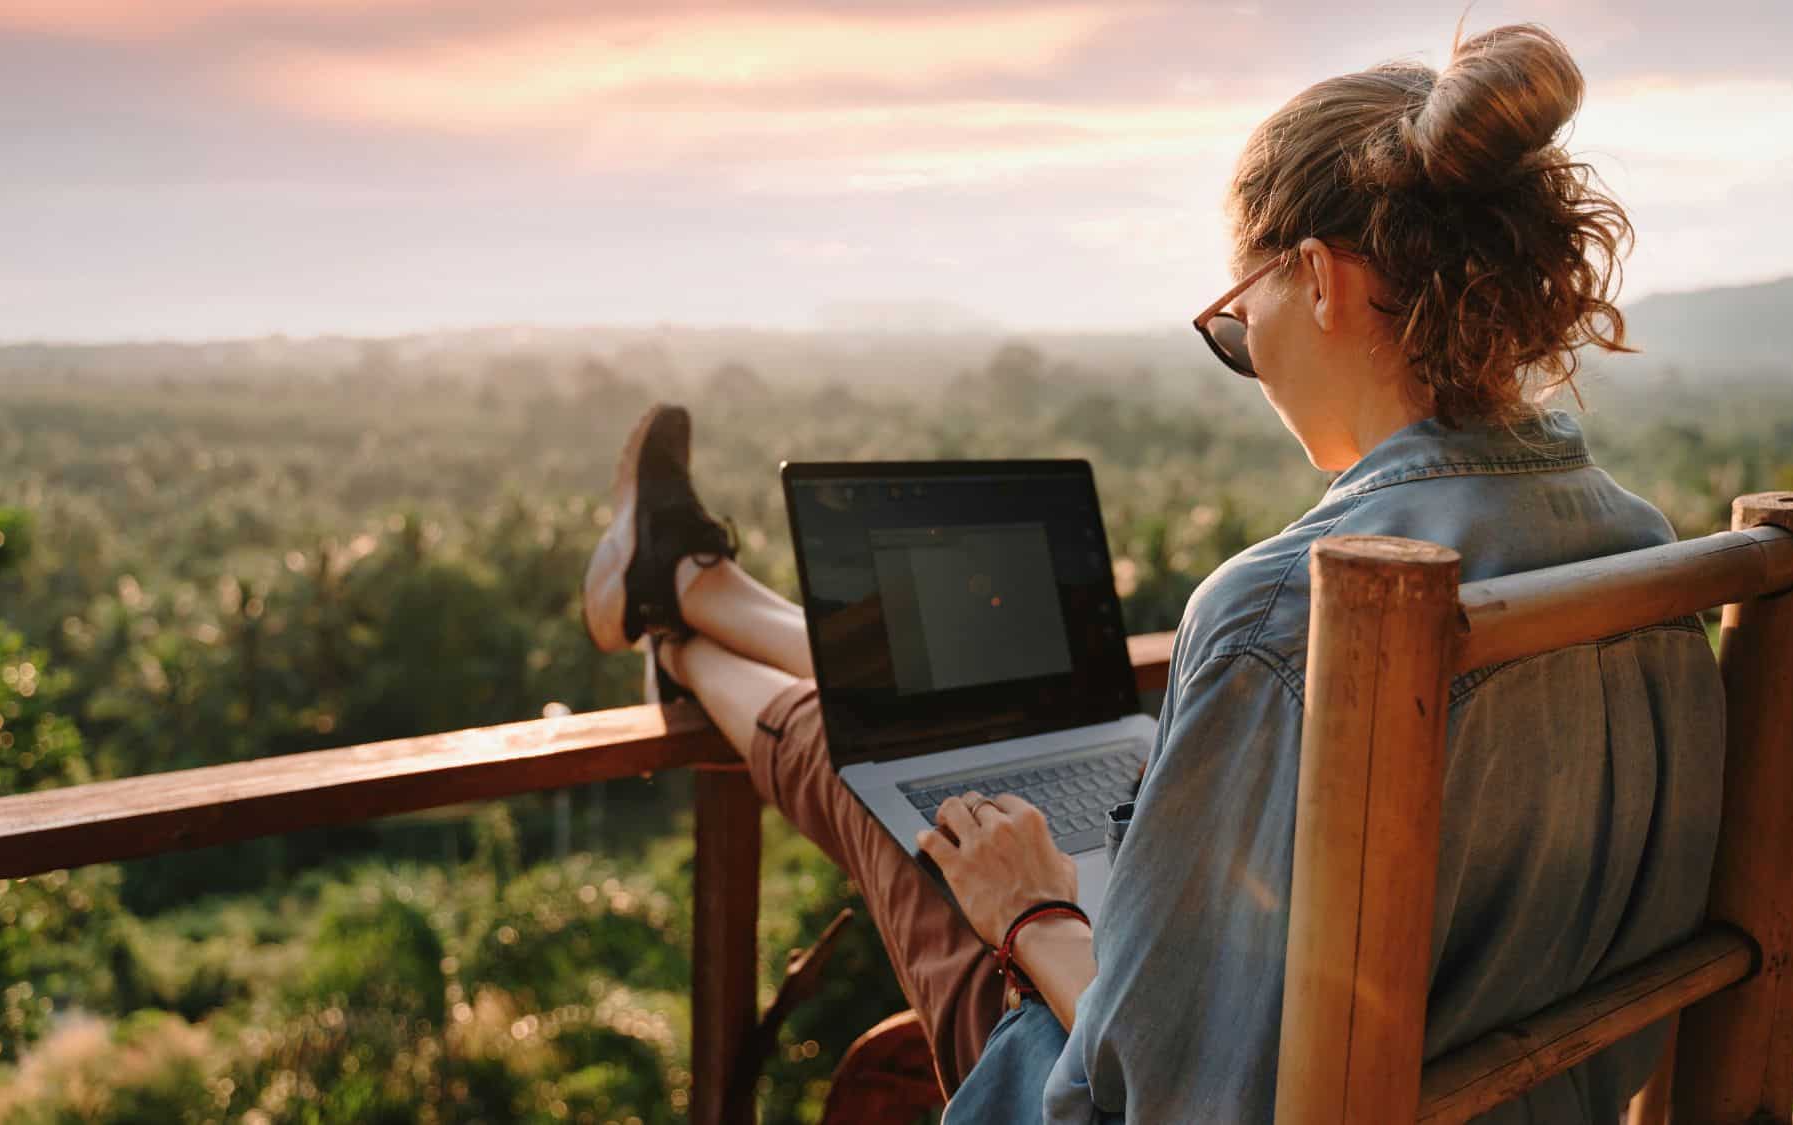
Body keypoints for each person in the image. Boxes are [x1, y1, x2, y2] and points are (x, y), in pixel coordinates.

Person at [579, 22, 1723, 1124]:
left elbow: (1169, 1094)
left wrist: (1029, 911)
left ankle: (675, 624)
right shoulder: (1643, 553)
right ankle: (688, 595)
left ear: (1317, 280)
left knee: (885, 774)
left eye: (1237, 321)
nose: (1247, 355)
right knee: (938, 737)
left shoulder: (1286, 613)